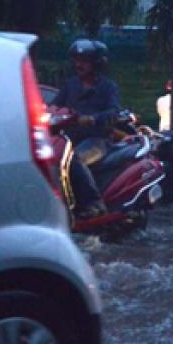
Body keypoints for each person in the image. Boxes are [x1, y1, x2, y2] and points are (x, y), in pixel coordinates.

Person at [53, 39, 120, 218]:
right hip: (68, 139)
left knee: (73, 159)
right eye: (76, 60)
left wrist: (93, 119)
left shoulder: (108, 87)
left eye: (84, 60)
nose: (78, 64)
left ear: (96, 63)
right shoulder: (70, 85)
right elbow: (54, 106)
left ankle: (94, 203)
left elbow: (114, 112)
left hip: (97, 140)